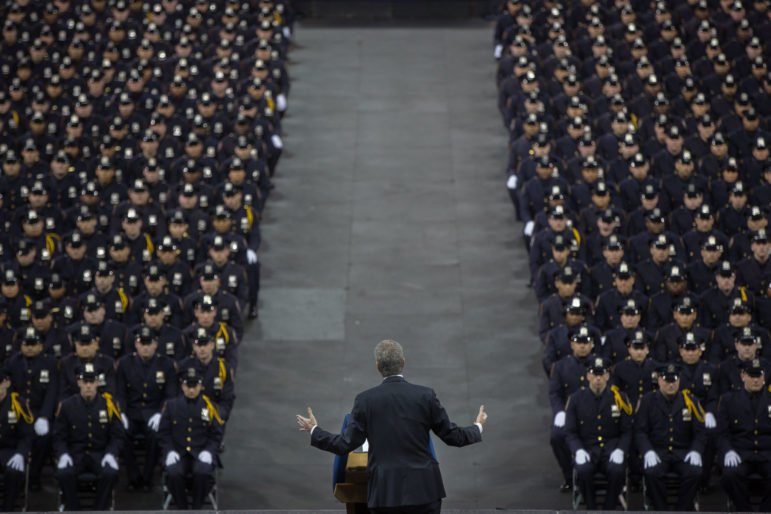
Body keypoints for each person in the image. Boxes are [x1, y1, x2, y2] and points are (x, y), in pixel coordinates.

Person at [296, 340, 487, 514]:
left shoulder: (365, 401)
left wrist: (314, 430)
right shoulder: (425, 396)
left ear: (378, 367)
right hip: (425, 492)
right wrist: (477, 426)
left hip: (385, 495)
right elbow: (452, 436)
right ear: (403, 362)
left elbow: (344, 444)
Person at [53, 363, 125, 511]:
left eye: (91, 382)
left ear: (98, 383)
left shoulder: (109, 405)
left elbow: (117, 435)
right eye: (85, 382)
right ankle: (74, 509)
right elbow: (58, 436)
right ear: (78, 382)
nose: (88, 386)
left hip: (100, 454)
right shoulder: (67, 405)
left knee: (110, 473)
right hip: (75, 455)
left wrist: (111, 453)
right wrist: (63, 454)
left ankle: (99, 510)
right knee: (64, 473)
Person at [564, 357, 633, 510]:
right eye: (594, 374)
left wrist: (621, 450)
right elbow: (570, 432)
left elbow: (626, 431)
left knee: (617, 470)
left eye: (602, 374)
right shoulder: (576, 399)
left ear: (608, 376)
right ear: (588, 375)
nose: (598, 378)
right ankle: (591, 508)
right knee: (583, 470)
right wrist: (578, 450)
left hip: (611, 450)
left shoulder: (619, 398)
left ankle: (609, 509)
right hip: (587, 449)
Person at [635, 364, 706, 510]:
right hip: (658, 452)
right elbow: (640, 431)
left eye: (674, 380)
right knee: (651, 473)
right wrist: (647, 451)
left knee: (695, 472)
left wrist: (696, 450)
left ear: (679, 380)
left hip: (683, 453)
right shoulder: (648, 400)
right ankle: (661, 509)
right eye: (667, 380)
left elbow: (700, 432)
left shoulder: (690, 400)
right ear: (659, 380)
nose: (671, 384)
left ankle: (683, 509)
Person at [158, 367, 224, 510]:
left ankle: (197, 508)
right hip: (178, 453)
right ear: (183, 386)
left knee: (202, 472)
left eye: (195, 386)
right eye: (188, 386)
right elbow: (164, 433)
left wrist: (209, 451)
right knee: (174, 473)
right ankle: (182, 509)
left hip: (200, 453)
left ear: (200, 386)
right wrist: (169, 450)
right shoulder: (171, 406)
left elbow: (216, 434)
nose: (192, 390)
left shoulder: (210, 407)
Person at [717, 358, 771, 512]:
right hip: (741, 453)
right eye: (751, 375)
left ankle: (766, 511)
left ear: (764, 376)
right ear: (742, 376)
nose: (755, 380)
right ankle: (744, 510)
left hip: (768, 454)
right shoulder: (729, 400)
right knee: (730, 475)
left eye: (758, 375)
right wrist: (728, 450)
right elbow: (722, 432)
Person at [0, 369, 34, 511]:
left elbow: (27, 434)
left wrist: (21, 453)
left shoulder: (17, 404)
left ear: (6, 383)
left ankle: (8, 508)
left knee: (13, 471)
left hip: (11, 450)